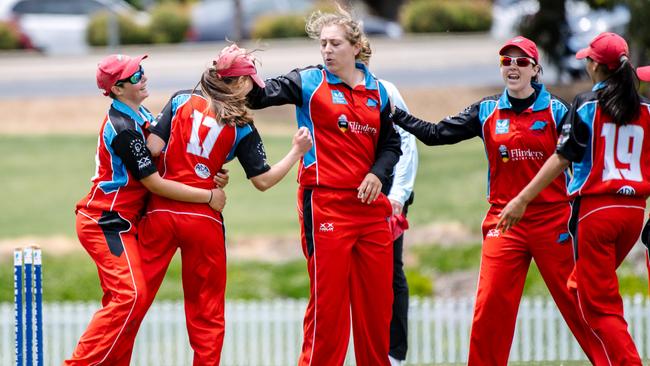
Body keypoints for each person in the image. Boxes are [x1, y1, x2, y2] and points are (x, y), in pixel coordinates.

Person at [388, 36, 607, 365]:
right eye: (507, 61)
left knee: (578, 303)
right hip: (504, 222)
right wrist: (397, 115)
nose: (513, 67)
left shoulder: (557, 110)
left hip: (553, 221)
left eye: (521, 62)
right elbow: (436, 134)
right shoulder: (487, 109)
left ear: (536, 69)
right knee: (489, 308)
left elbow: (581, 164)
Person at [135, 44, 312, 366]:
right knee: (207, 311)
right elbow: (263, 181)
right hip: (204, 218)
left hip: (160, 210)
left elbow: (153, 148)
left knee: (134, 297)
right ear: (240, 83)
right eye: (251, 82)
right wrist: (297, 151)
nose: (254, 89)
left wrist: (186, 163)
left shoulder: (180, 99)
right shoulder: (243, 127)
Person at [246, 7, 402, 366]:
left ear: (356, 47)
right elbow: (259, 96)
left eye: (335, 44)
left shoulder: (378, 91)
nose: (327, 50)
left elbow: (392, 145)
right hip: (325, 204)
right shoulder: (308, 82)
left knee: (377, 310)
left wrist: (377, 173)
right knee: (328, 310)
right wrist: (242, 73)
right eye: (323, 44)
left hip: (370, 209)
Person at [499, 32, 650, 366]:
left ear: (596, 66)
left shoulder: (586, 104)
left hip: (596, 213)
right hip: (633, 213)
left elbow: (562, 157)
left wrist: (522, 199)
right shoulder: (646, 110)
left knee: (600, 309)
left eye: (588, 60)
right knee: (581, 286)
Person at [66, 54, 226, 365]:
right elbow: (154, 183)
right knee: (131, 296)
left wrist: (213, 172)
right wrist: (207, 197)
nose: (143, 77)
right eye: (135, 74)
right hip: (105, 221)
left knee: (126, 302)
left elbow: (173, 157)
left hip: (125, 222)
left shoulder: (141, 114)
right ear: (117, 88)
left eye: (142, 70)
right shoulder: (123, 126)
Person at [381, 80, 418, 366]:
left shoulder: (385, 90)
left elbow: (406, 142)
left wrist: (398, 195)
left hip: (389, 194)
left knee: (391, 270)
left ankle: (395, 355)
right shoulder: (325, 88)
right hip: (348, 193)